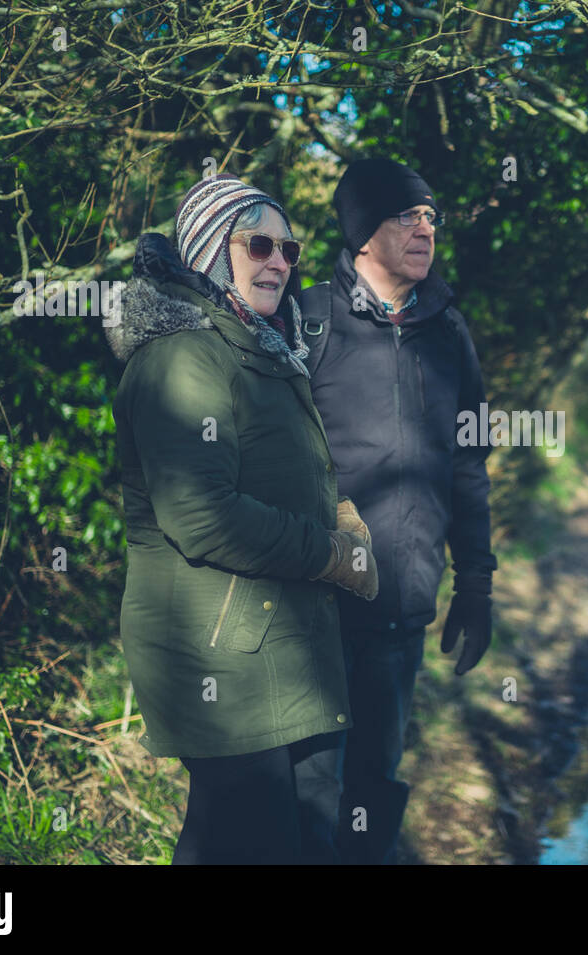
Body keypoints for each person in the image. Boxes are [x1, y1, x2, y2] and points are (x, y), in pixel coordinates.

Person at [105, 173, 379, 864]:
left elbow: (278, 468)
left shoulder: (262, 344)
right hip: (226, 660)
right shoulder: (183, 356)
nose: (280, 261)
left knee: (298, 838)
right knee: (248, 845)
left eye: (288, 247)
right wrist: (332, 553)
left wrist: (339, 513)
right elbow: (201, 513)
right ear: (205, 250)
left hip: (289, 648)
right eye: (258, 244)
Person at [298, 158, 497, 864]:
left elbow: (469, 466)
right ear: (361, 232)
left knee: (372, 793)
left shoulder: (449, 333)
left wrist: (475, 582)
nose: (425, 228)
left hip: (401, 614)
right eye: (406, 215)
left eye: (431, 216)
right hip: (311, 612)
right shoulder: (309, 320)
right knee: (306, 796)